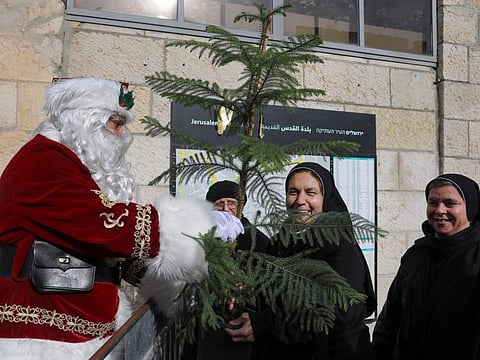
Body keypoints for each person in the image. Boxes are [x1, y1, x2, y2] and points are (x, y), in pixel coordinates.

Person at [0, 77, 243, 359]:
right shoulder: (44, 159)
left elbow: (102, 251)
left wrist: (169, 279)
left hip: (86, 332)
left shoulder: (78, 166)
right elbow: (95, 222)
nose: (122, 135)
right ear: (85, 119)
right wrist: (195, 231)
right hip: (41, 337)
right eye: (116, 123)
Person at [225, 161, 376, 360]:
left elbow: (335, 314)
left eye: (310, 193)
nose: (300, 200)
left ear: (325, 198)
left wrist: (266, 324)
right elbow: (272, 293)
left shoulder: (340, 248)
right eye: (293, 191)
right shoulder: (281, 242)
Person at [372, 173, 480, 360]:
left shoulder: (476, 257)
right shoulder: (416, 254)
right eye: (433, 202)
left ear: (470, 207)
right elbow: (391, 317)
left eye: (450, 203)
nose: (440, 210)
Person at [183, 180, 270, 360]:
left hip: (243, 325)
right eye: (219, 204)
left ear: (241, 207)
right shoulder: (200, 239)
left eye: (232, 203)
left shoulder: (257, 241)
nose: (225, 209)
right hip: (205, 324)